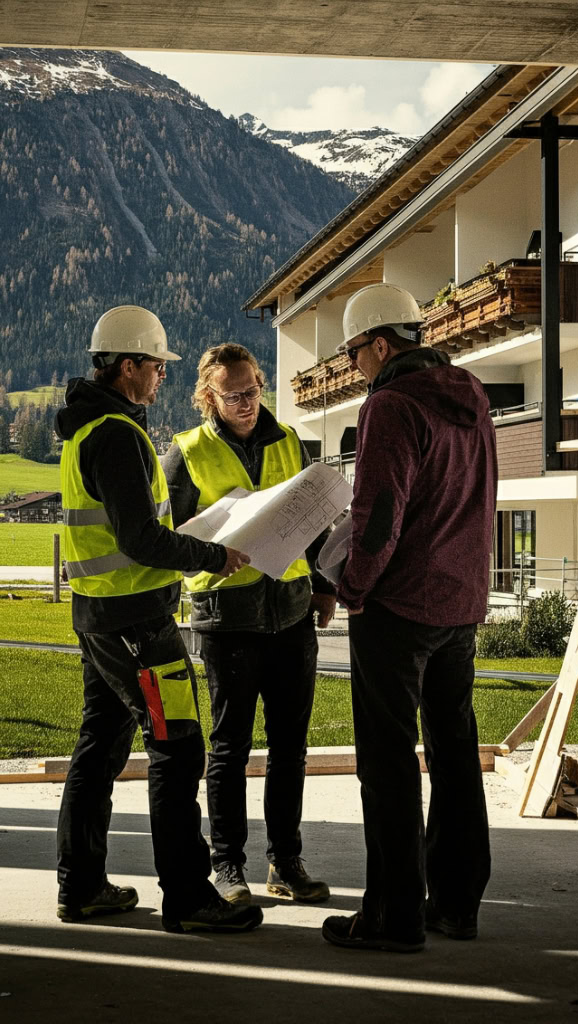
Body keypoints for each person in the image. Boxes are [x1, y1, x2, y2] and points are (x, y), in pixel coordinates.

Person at [55, 305, 263, 935]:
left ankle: (82, 885)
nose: (162, 377)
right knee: (177, 749)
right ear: (128, 366)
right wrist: (213, 555)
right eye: (156, 366)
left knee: (101, 746)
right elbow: (142, 538)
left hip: (102, 618)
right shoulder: (116, 434)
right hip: (139, 624)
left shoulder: (89, 429)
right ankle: (188, 898)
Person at [321, 283, 497, 954]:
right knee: (454, 756)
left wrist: (353, 588)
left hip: (398, 606)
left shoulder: (391, 406)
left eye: (353, 353)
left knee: (388, 763)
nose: (352, 366)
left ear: (382, 345)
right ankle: (455, 904)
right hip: (459, 603)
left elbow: (380, 516)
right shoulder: (470, 397)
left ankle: (392, 918)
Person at [163, 343, 336, 906]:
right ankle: (227, 868)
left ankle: (286, 862)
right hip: (225, 620)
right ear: (208, 396)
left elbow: (316, 522)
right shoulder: (184, 454)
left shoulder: (289, 441)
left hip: (290, 615)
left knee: (291, 748)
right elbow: (171, 539)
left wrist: (326, 587)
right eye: (234, 394)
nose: (246, 402)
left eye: (254, 389)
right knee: (229, 748)